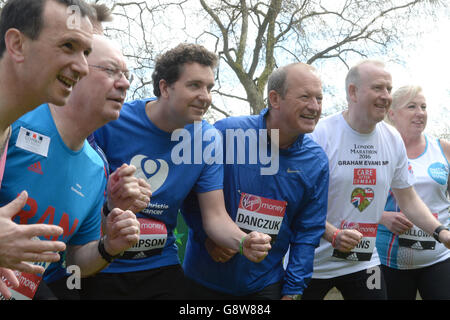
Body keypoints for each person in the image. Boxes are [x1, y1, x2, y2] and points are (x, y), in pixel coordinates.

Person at [81, 43, 272, 300]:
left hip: (160, 264)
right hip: (99, 261)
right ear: (164, 88)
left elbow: (215, 217)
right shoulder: (111, 120)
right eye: (194, 85)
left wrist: (242, 241)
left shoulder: (208, 139)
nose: (205, 96)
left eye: (209, 87)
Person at [0, 34, 143, 300]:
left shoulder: (97, 167)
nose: (124, 84)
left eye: (127, 75)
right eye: (111, 70)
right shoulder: (15, 118)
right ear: (75, 71)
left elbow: (76, 260)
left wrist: (109, 246)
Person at [301, 60, 450, 300]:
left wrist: (441, 232)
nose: (385, 96)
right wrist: (331, 233)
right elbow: (298, 200)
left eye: (389, 90)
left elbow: (409, 200)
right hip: (311, 260)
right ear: (353, 92)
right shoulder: (320, 135)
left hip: (363, 261)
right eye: (378, 88)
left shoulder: (392, 139)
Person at [180, 62, 329, 300]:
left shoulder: (316, 161)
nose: (314, 107)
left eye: (319, 99)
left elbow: (308, 231)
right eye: (305, 97)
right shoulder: (226, 133)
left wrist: (293, 290)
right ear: (275, 99)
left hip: (263, 285)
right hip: (203, 280)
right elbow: (188, 193)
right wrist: (206, 237)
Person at [0, 0, 95, 299]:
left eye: (86, 53)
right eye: (68, 45)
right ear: (17, 44)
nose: (83, 67)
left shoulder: (7, 129)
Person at [376, 85, 450, 299]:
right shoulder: (378, 149)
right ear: (392, 113)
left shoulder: (442, 148)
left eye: (423, 107)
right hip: (388, 260)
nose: (420, 113)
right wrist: (382, 217)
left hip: (439, 256)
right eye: (412, 106)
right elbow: (354, 198)